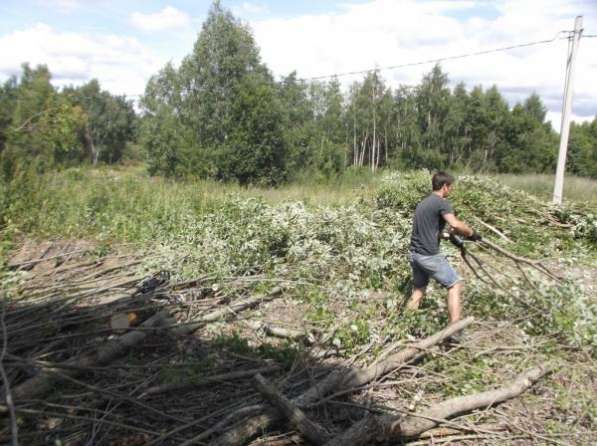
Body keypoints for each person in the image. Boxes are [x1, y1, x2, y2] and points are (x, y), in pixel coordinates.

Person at [406, 171, 480, 325]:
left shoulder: (423, 203)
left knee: (419, 290)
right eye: (450, 187)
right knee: (455, 284)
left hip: (415, 254)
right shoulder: (441, 203)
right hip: (428, 256)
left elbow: (430, 230)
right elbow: (455, 224)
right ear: (445, 187)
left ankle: (405, 323)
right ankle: (455, 329)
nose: (451, 190)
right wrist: (472, 234)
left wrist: (453, 239)